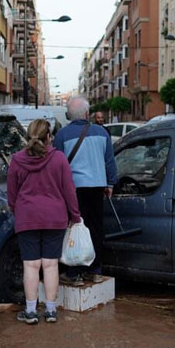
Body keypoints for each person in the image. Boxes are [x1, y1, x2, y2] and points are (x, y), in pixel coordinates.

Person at [7, 119, 81, 324]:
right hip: (55, 217)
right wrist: (75, 216)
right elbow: (69, 190)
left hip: (27, 217)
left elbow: (11, 194)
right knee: (50, 265)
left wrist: (18, 210)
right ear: (49, 137)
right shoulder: (59, 159)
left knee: (30, 265)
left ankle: (30, 312)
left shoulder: (16, 160)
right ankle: (50, 311)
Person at [54, 97, 117, 285]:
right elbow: (109, 161)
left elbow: (57, 165)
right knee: (96, 228)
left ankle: (74, 272)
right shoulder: (102, 133)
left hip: (73, 189)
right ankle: (95, 270)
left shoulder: (62, 135)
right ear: (87, 114)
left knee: (75, 228)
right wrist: (110, 184)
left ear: (68, 116)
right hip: (97, 186)